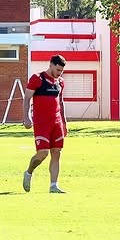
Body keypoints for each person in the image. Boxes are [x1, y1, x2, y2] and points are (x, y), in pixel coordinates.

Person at [22, 55, 68, 194]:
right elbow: (27, 98)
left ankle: (53, 185)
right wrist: (27, 118)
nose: (59, 73)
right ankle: (29, 172)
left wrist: (64, 123)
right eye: (58, 69)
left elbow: (61, 102)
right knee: (42, 153)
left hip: (57, 122)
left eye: (61, 71)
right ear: (51, 64)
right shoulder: (37, 78)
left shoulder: (60, 82)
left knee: (56, 152)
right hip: (42, 123)